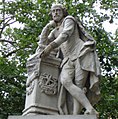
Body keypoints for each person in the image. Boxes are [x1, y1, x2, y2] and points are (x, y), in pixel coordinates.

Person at [40, 4, 101, 116]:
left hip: (81, 54)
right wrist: (47, 27)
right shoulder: (54, 31)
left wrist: (50, 47)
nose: (56, 13)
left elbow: (65, 35)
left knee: (79, 86)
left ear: (63, 12)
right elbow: (43, 43)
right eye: (53, 11)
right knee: (65, 80)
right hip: (68, 59)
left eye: (58, 10)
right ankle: (89, 109)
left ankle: (77, 114)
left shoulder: (69, 20)